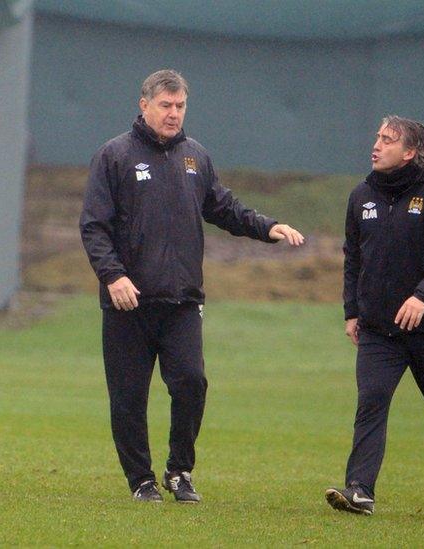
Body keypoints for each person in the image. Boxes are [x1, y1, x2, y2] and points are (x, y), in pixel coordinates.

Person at [79, 69, 305, 502]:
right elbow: (94, 226)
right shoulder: (115, 155)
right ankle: (141, 480)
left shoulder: (195, 157)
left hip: (182, 299)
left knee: (191, 382)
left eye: (180, 106)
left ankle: (179, 470)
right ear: (144, 105)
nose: (174, 114)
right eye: (165, 105)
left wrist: (268, 226)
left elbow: (224, 207)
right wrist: (112, 275)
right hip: (128, 302)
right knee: (128, 398)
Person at [325, 116, 424, 519]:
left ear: (410, 152)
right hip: (379, 331)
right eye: (377, 137)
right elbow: (353, 259)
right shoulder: (361, 196)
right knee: (371, 402)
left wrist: (422, 297)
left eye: (388, 140)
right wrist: (352, 311)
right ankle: (360, 490)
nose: (376, 145)